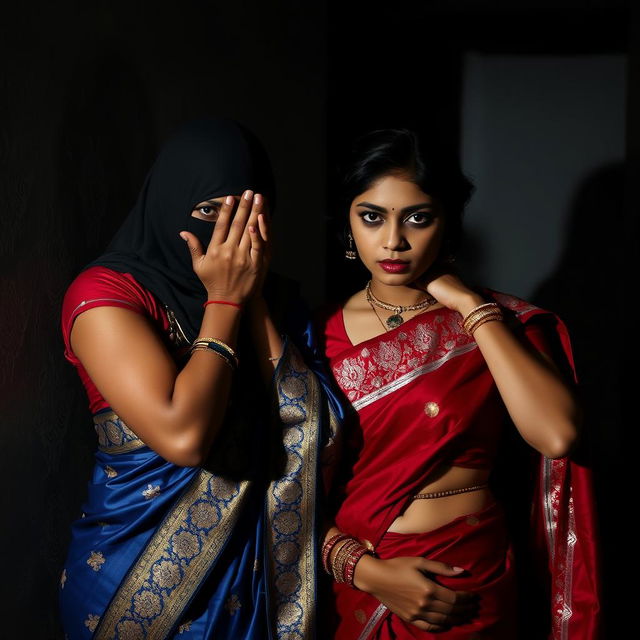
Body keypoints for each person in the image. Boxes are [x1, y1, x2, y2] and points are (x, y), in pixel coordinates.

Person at [58, 118, 343, 639]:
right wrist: (227, 299)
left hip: (252, 583)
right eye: (210, 212)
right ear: (168, 203)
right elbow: (184, 436)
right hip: (134, 576)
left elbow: (317, 432)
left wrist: (251, 297)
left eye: (247, 215)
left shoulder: (278, 300)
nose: (228, 239)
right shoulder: (105, 295)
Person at [316, 129, 600, 639]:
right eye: (372, 216)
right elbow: (281, 490)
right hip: (359, 582)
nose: (393, 241)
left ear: (448, 222)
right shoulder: (314, 336)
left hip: (466, 579)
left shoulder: (499, 323)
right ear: (348, 221)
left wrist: (471, 308)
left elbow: (557, 436)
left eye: (418, 218)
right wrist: (364, 570)